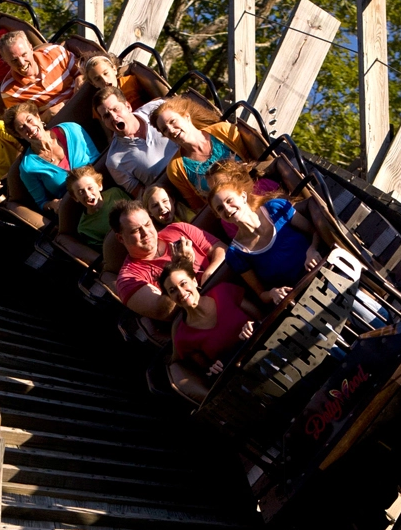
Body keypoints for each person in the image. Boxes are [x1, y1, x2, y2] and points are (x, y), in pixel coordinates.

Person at [208, 163, 319, 304]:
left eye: (229, 201)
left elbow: (315, 231)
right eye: (220, 208)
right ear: (219, 216)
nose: (228, 209)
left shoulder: (275, 208)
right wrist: (273, 293)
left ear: (243, 196)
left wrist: (312, 249)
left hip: (321, 268)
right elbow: (261, 293)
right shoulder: (235, 254)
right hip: (301, 297)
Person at [111, 201, 226, 320]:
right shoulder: (128, 279)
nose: (146, 233)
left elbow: (222, 249)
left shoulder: (179, 229)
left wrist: (209, 275)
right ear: (120, 238)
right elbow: (163, 312)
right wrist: (180, 267)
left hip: (227, 287)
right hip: (201, 318)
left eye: (147, 224)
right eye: (136, 230)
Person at [161, 258, 257, 399]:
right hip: (242, 376)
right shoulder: (183, 337)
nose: (181, 293)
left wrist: (252, 326)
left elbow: (261, 317)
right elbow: (208, 371)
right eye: (173, 290)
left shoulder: (223, 291)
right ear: (170, 297)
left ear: (194, 281)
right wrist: (214, 368)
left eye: (183, 284)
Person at [152, 98, 265, 211]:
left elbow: (256, 160)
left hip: (258, 189)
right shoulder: (175, 169)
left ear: (186, 117)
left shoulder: (223, 130)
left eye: (172, 121)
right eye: (165, 130)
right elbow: (198, 206)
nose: (171, 130)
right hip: (230, 212)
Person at [7, 103, 100, 213]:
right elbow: (42, 203)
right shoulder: (28, 167)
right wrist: (53, 204)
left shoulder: (72, 129)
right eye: (22, 128)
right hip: (76, 209)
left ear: (37, 117)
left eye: (30, 120)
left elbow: (98, 159)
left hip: (102, 190)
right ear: (19, 135)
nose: (30, 128)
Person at [96, 88, 177, 194]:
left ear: (128, 106)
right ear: (104, 122)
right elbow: (143, 196)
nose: (114, 117)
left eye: (116, 109)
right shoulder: (115, 161)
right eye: (106, 116)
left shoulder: (157, 108)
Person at [0, 31, 79, 119]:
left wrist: (80, 78)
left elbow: (83, 72)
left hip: (81, 101)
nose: (22, 63)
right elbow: (25, 123)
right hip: (59, 123)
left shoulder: (56, 52)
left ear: (30, 47)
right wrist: (47, 114)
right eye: (14, 60)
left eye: (24, 55)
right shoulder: (9, 91)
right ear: (5, 60)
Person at [66, 165, 129, 248]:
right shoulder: (85, 228)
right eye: (81, 192)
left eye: (90, 188)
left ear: (99, 185)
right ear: (75, 198)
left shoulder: (115, 193)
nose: (88, 194)